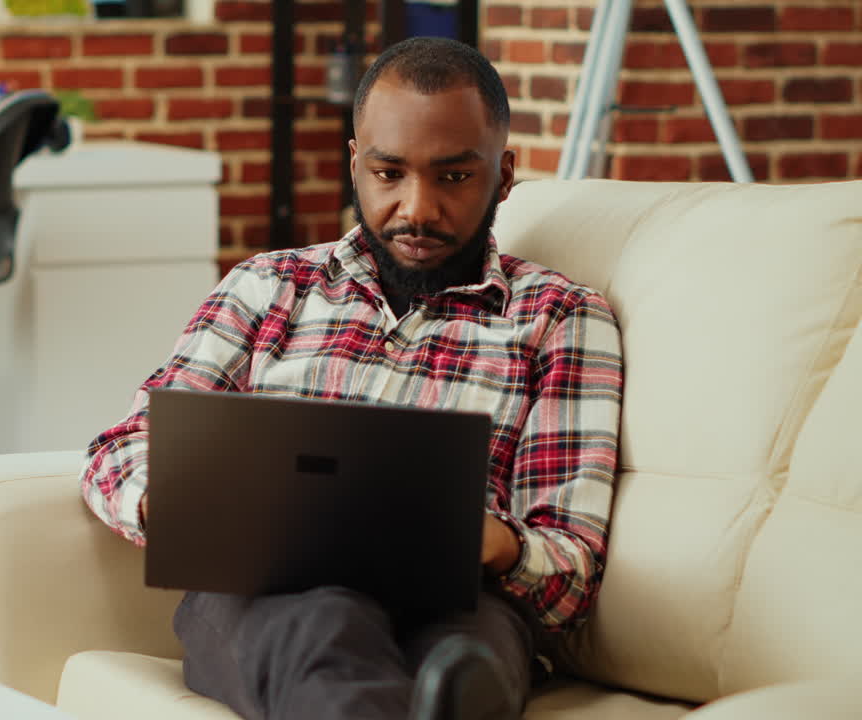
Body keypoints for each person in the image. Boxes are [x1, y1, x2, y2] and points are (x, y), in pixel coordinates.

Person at [80, 36, 623, 720]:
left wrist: (501, 543)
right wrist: (179, 502)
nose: (417, 209)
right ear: (354, 165)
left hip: (462, 601)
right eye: (389, 173)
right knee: (325, 623)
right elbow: (121, 449)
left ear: (504, 175)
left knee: (467, 661)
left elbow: (571, 563)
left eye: (453, 177)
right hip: (268, 592)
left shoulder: (562, 319)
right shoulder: (267, 288)